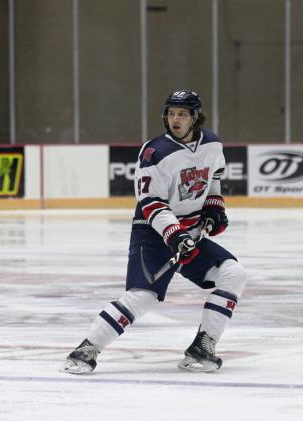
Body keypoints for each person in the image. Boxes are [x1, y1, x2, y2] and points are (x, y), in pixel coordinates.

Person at [62, 90, 247, 374]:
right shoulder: (155, 152)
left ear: (195, 118)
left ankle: (204, 345)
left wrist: (213, 207)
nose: (175, 119)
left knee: (233, 273)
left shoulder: (212, 144)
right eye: (171, 113)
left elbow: (215, 179)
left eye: (182, 114)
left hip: (189, 230)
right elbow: (151, 202)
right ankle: (87, 349)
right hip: (153, 232)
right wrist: (175, 235)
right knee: (143, 297)